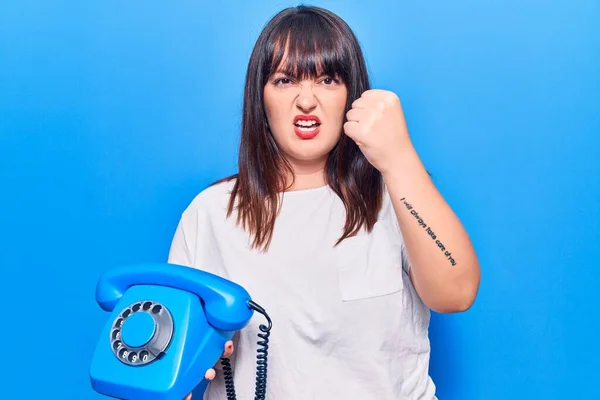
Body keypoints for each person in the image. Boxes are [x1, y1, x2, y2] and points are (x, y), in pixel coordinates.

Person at [173, 5, 481, 400]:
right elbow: (176, 351)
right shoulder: (211, 213)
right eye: (285, 80)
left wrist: (400, 158)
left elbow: (456, 292)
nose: (307, 100)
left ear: (352, 95)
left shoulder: (397, 196)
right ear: (261, 99)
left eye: (328, 79)